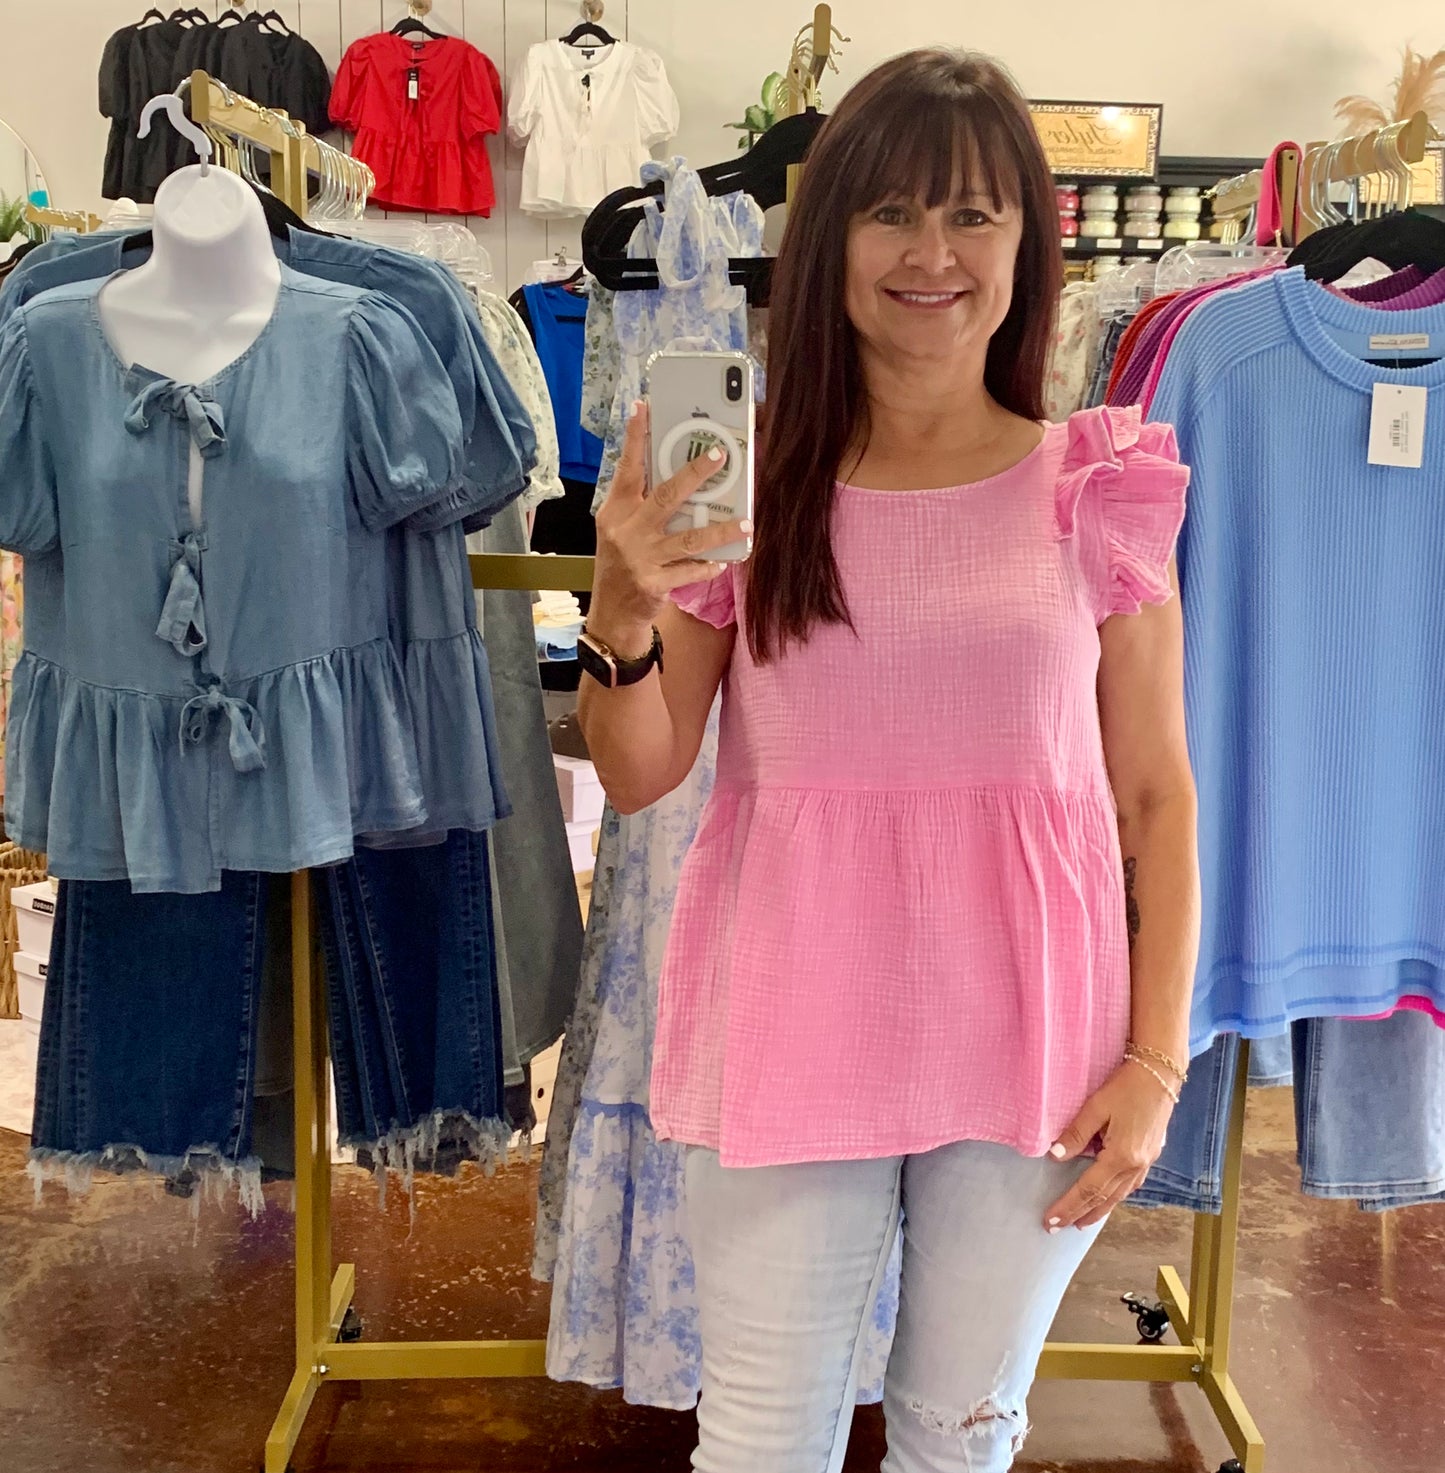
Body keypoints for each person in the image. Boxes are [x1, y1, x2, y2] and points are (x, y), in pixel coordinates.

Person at [577, 48, 1199, 1473]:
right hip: (789, 1004)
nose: (932, 254)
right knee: (761, 1439)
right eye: (892, 213)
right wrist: (621, 609)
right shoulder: (743, 478)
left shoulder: (1096, 480)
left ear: (1025, 246)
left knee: (959, 1435)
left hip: (1037, 1027)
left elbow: (1155, 796)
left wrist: (1156, 1061)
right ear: (832, 240)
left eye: (972, 214)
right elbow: (640, 770)